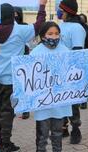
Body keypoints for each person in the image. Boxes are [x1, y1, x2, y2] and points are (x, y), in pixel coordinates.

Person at [0, 0, 47, 152]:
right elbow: (39, 26)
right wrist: (42, 6)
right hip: (12, 80)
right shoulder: (20, 30)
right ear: (13, 15)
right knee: (7, 113)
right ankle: (6, 144)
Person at [30, 21, 73, 152]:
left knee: (57, 133)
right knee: (42, 134)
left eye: (56, 34)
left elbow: (71, 73)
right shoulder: (35, 53)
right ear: (43, 36)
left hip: (60, 101)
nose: (54, 37)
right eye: (50, 34)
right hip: (42, 101)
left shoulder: (66, 51)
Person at [57, 0, 86, 144]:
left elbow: (77, 51)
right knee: (60, 101)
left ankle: (76, 129)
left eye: (60, 9)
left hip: (70, 70)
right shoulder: (59, 26)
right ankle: (63, 128)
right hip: (57, 70)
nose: (58, 11)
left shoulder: (77, 28)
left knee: (72, 102)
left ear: (67, 11)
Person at [14, 6, 30, 119]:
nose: (15, 16)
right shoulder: (9, 26)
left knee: (24, 84)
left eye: (16, 13)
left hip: (24, 56)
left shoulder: (24, 26)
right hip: (13, 58)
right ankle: (13, 108)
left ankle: (25, 110)